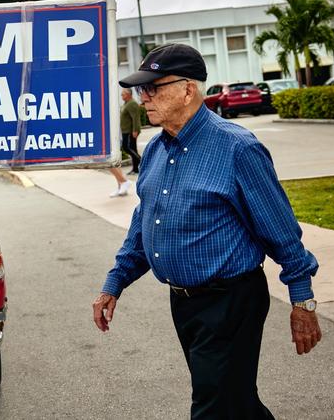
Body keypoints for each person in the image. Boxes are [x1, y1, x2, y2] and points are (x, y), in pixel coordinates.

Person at [92, 44, 321, 419]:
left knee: (212, 406)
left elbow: (281, 230)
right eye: (140, 90)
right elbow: (145, 222)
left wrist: (303, 302)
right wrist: (114, 283)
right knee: (236, 403)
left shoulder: (237, 148)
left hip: (231, 302)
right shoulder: (155, 150)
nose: (143, 97)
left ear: (187, 90)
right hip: (184, 303)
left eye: (153, 88)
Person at [120, 88, 142, 175]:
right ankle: (136, 169)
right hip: (126, 130)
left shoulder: (132, 103)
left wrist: (135, 130)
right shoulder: (126, 103)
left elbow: (135, 118)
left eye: (123, 94)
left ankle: (142, 161)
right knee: (133, 149)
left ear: (129, 94)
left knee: (126, 147)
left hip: (130, 131)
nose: (122, 96)